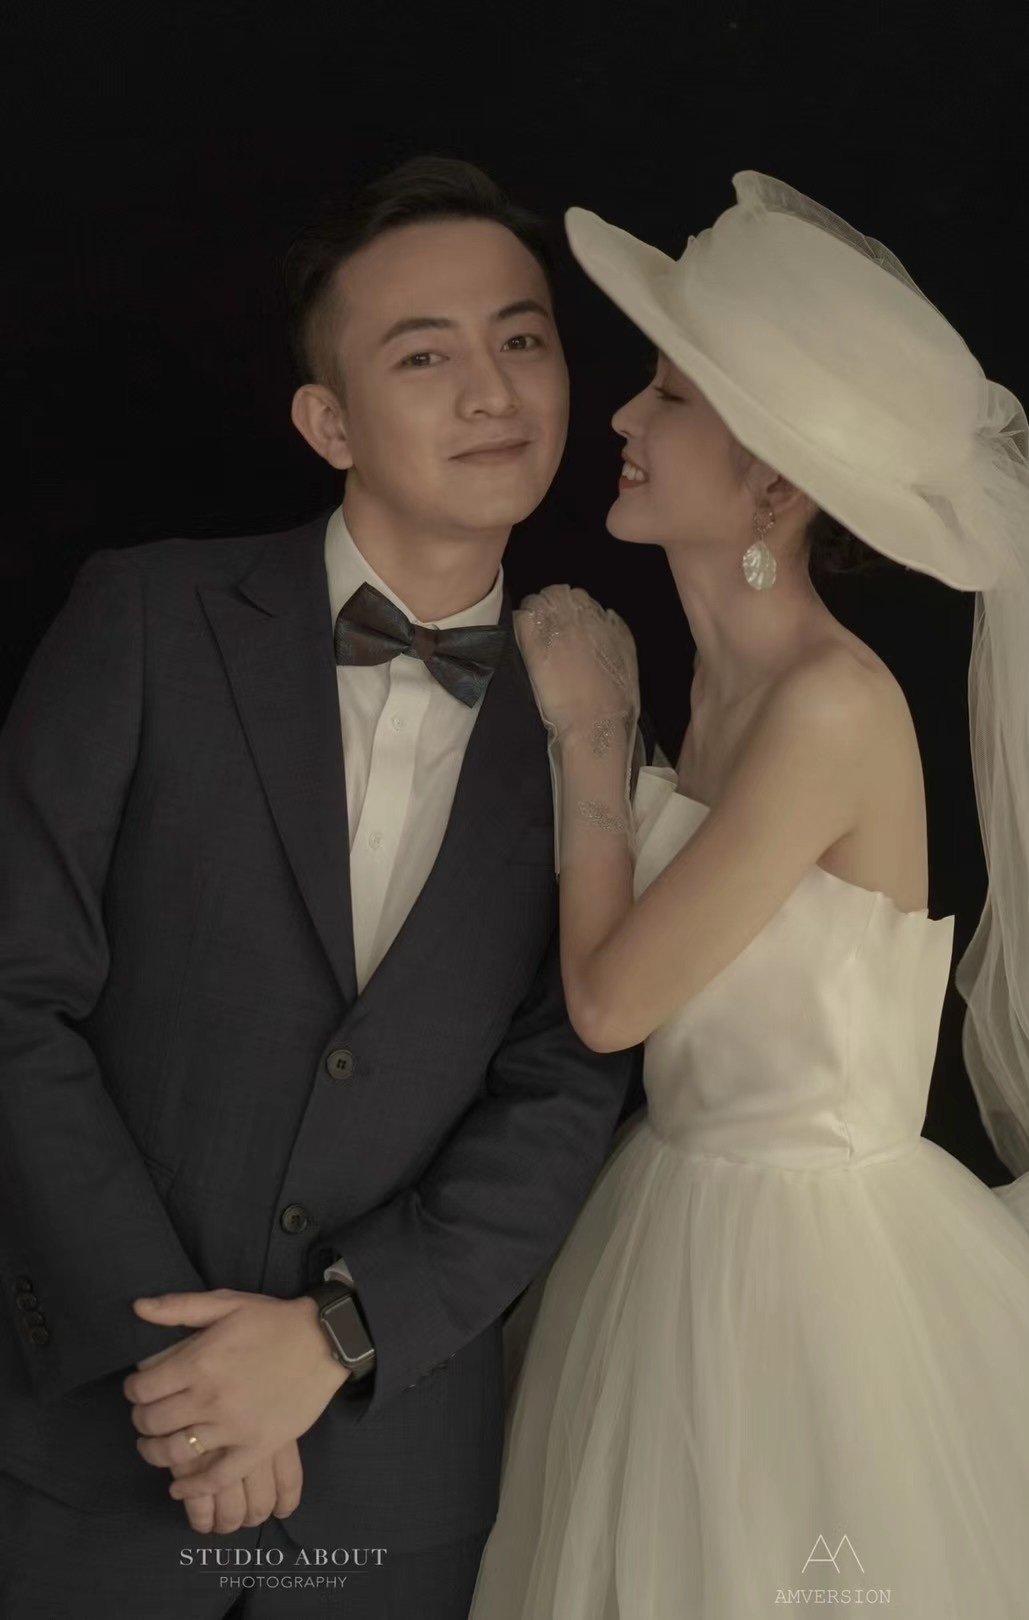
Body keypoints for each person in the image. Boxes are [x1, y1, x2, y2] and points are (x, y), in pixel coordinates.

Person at [0, 156, 651, 1619]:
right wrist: (177, 1369)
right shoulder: (148, 616)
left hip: (395, 1481)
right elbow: (14, 993)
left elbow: (567, 1082)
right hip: (97, 1444)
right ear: (328, 420)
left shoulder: (600, 711)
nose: (492, 390)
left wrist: (334, 1337)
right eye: (425, 355)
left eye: (523, 338)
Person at [467, 171, 1029, 1619]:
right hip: (677, 1220)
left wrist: (594, 745)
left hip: (810, 1284)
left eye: (671, 397)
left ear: (778, 485)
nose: (622, 418)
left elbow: (612, 1003)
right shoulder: (726, 685)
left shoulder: (828, 708)